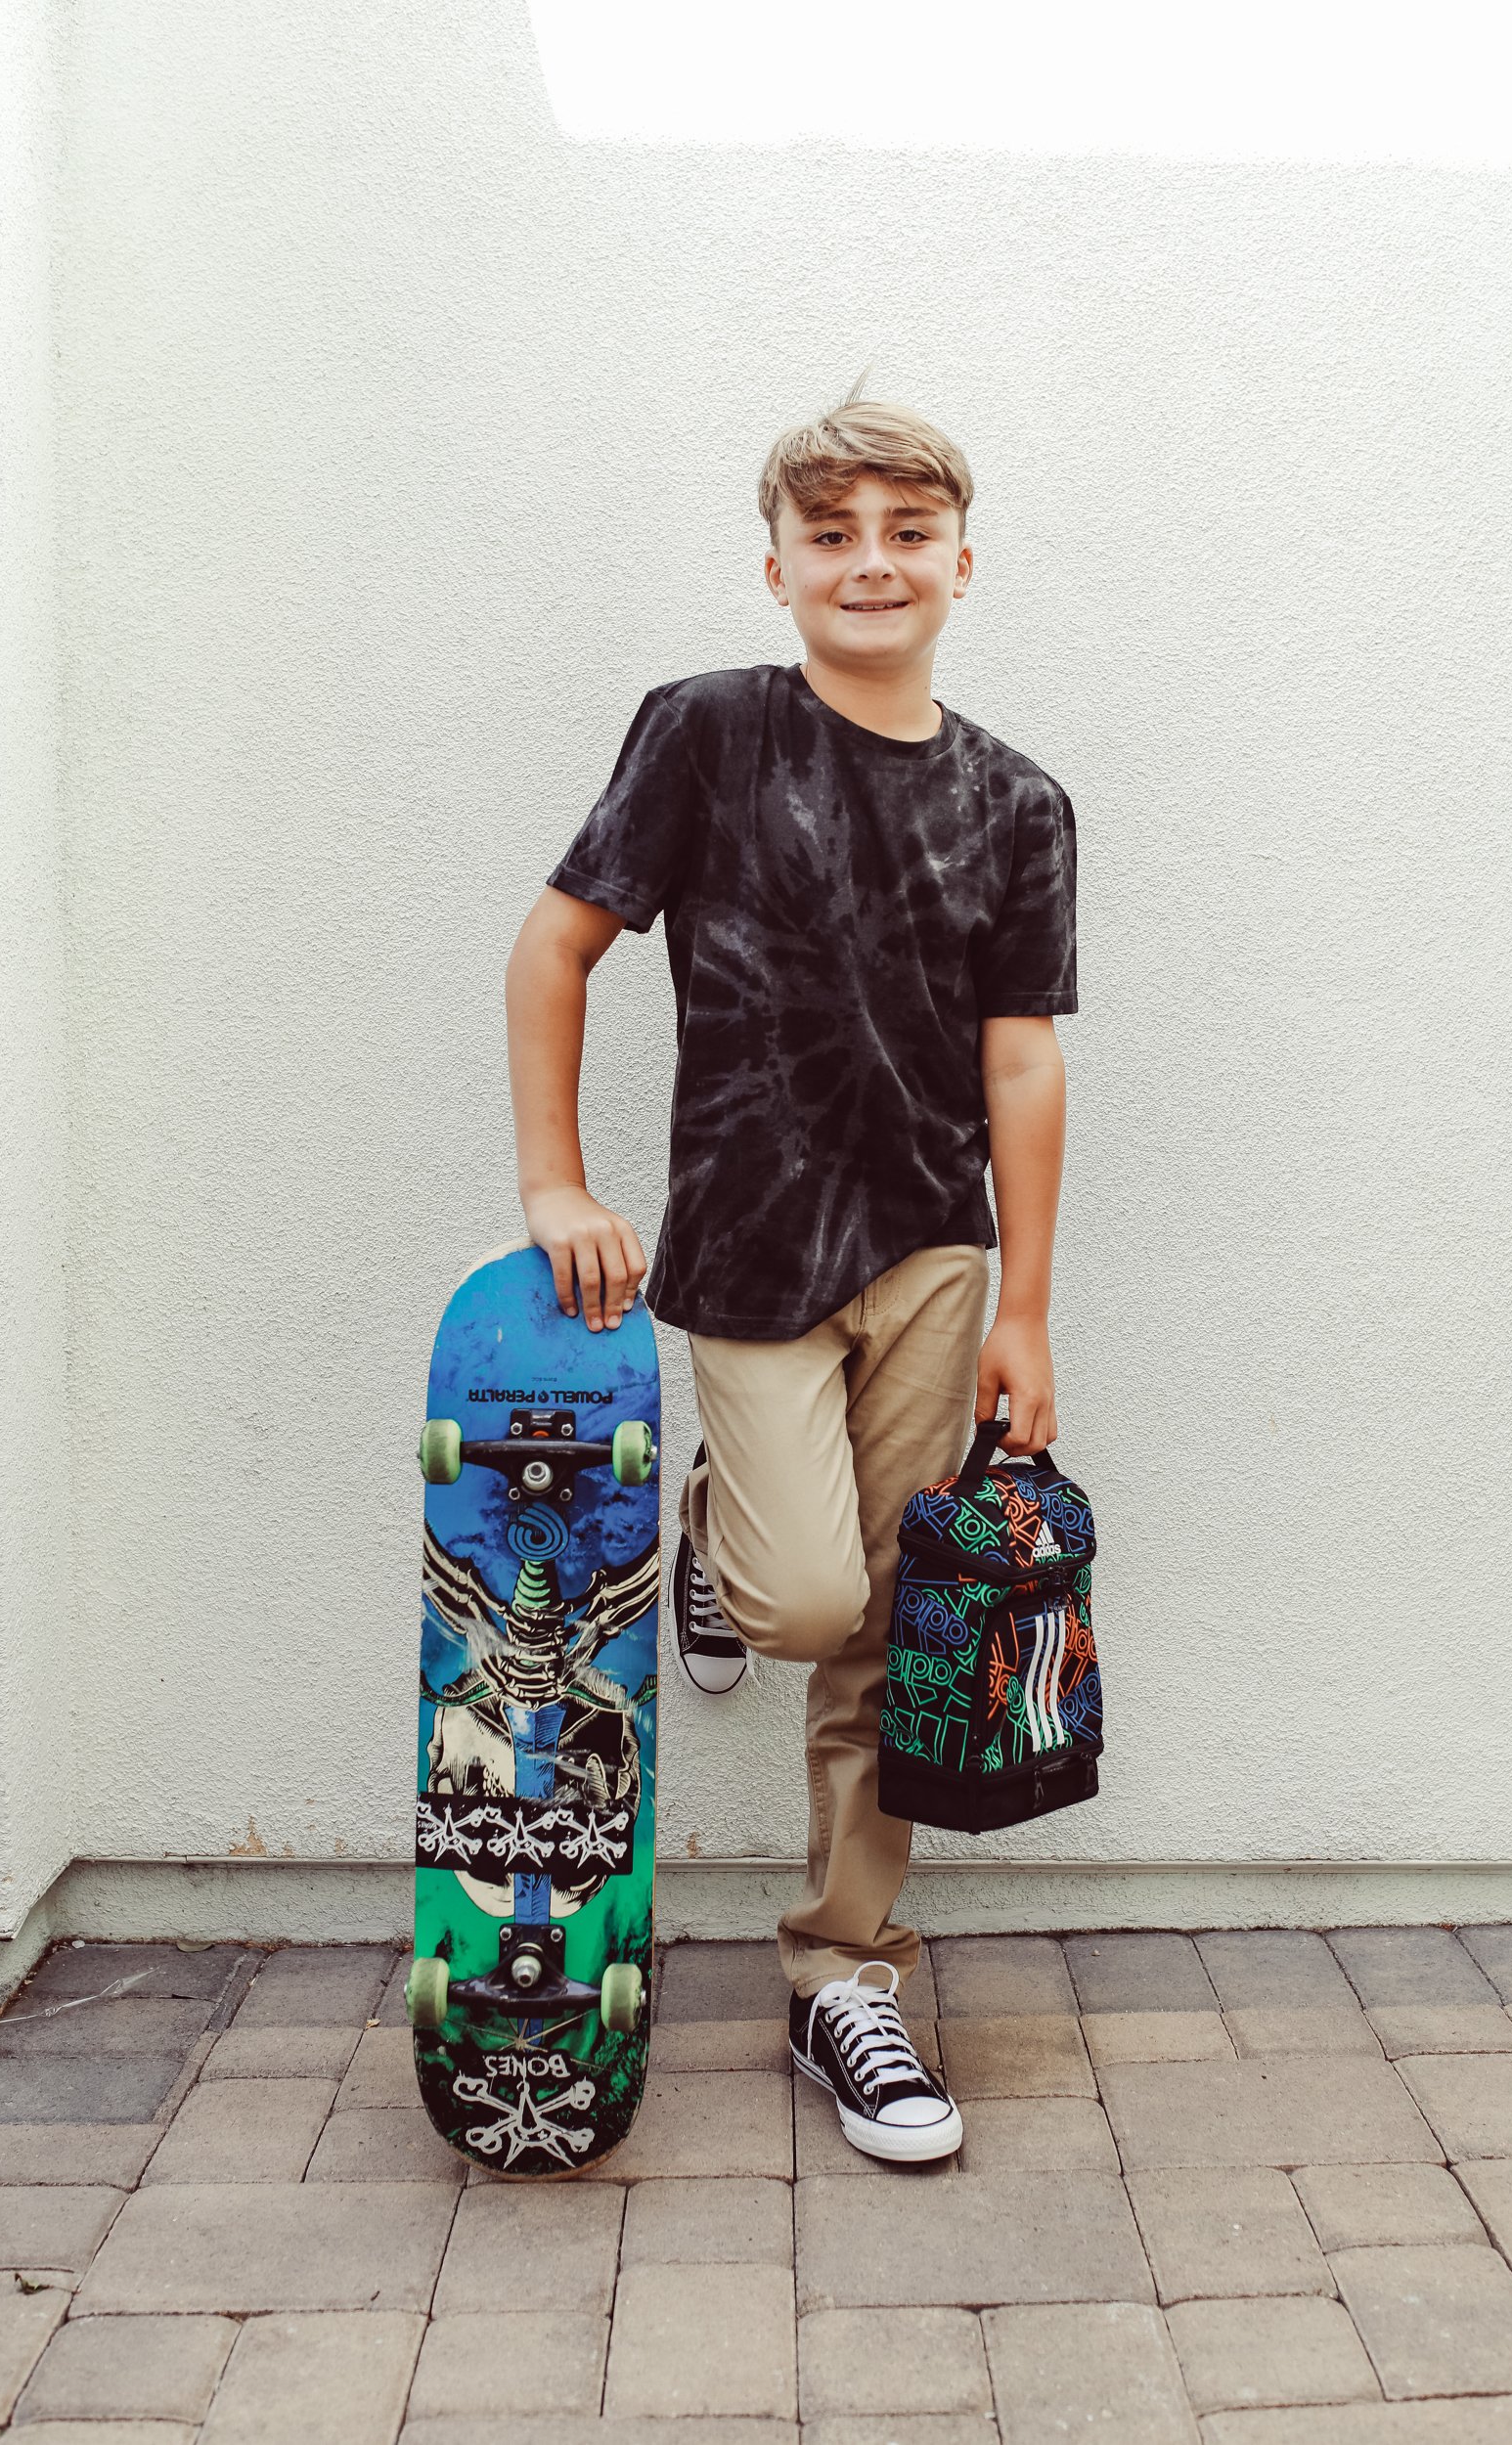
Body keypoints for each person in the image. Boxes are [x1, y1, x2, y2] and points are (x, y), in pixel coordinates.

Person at [504, 382, 1077, 2163]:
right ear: (777, 568)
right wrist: (554, 1181)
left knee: (893, 1633)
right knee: (810, 1599)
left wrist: (1030, 1310)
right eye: (831, 535)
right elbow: (556, 945)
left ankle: (849, 1972)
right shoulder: (709, 734)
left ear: (962, 564)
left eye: (907, 533)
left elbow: (1024, 1067)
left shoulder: (1019, 802)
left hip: (929, 1256)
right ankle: (729, 1538)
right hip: (748, 1257)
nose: (870, 562)